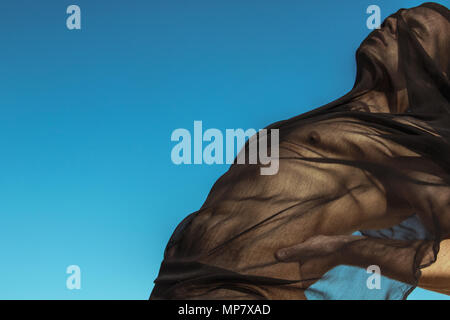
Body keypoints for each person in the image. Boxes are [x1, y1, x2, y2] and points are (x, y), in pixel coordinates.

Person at [151, 2, 450, 300]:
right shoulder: (329, 118)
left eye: (413, 29)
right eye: (392, 19)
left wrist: (347, 249)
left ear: (437, 68)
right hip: (175, 291)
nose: (389, 25)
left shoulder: (409, 147)